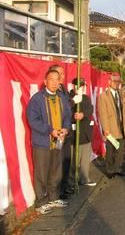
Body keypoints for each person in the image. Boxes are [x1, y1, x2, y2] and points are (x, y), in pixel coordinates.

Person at [27, 69, 71, 215]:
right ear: (45, 81)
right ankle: (41, 202)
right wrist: (49, 130)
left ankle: (53, 197)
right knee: (41, 173)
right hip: (42, 143)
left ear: (60, 82)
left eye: (56, 80)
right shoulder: (37, 99)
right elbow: (33, 120)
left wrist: (65, 128)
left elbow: (67, 116)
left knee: (56, 172)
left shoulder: (62, 98)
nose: (54, 83)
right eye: (51, 79)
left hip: (59, 141)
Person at [65, 78, 96, 194]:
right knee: (74, 159)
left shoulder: (86, 98)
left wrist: (83, 114)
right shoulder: (70, 98)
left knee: (85, 158)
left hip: (85, 132)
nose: (80, 87)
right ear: (73, 86)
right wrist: (74, 115)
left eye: (82, 85)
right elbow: (66, 112)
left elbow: (90, 109)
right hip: (74, 133)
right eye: (78, 85)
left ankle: (84, 178)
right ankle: (72, 181)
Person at [98, 74, 125, 179]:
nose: (116, 83)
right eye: (114, 81)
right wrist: (105, 128)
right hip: (110, 126)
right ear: (109, 82)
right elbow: (103, 113)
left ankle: (118, 168)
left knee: (120, 150)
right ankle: (110, 170)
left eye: (118, 81)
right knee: (110, 150)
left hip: (121, 125)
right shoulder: (103, 96)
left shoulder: (121, 93)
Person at [48, 64, 71, 199]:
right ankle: (57, 190)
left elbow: (67, 111)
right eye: (59, 74)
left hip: (65, 131)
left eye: (62, 74)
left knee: (66, 159)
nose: (62, 76)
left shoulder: (64, 89)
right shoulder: (53, 92)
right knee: (57, 161)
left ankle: (65, 185)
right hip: (56, 133)